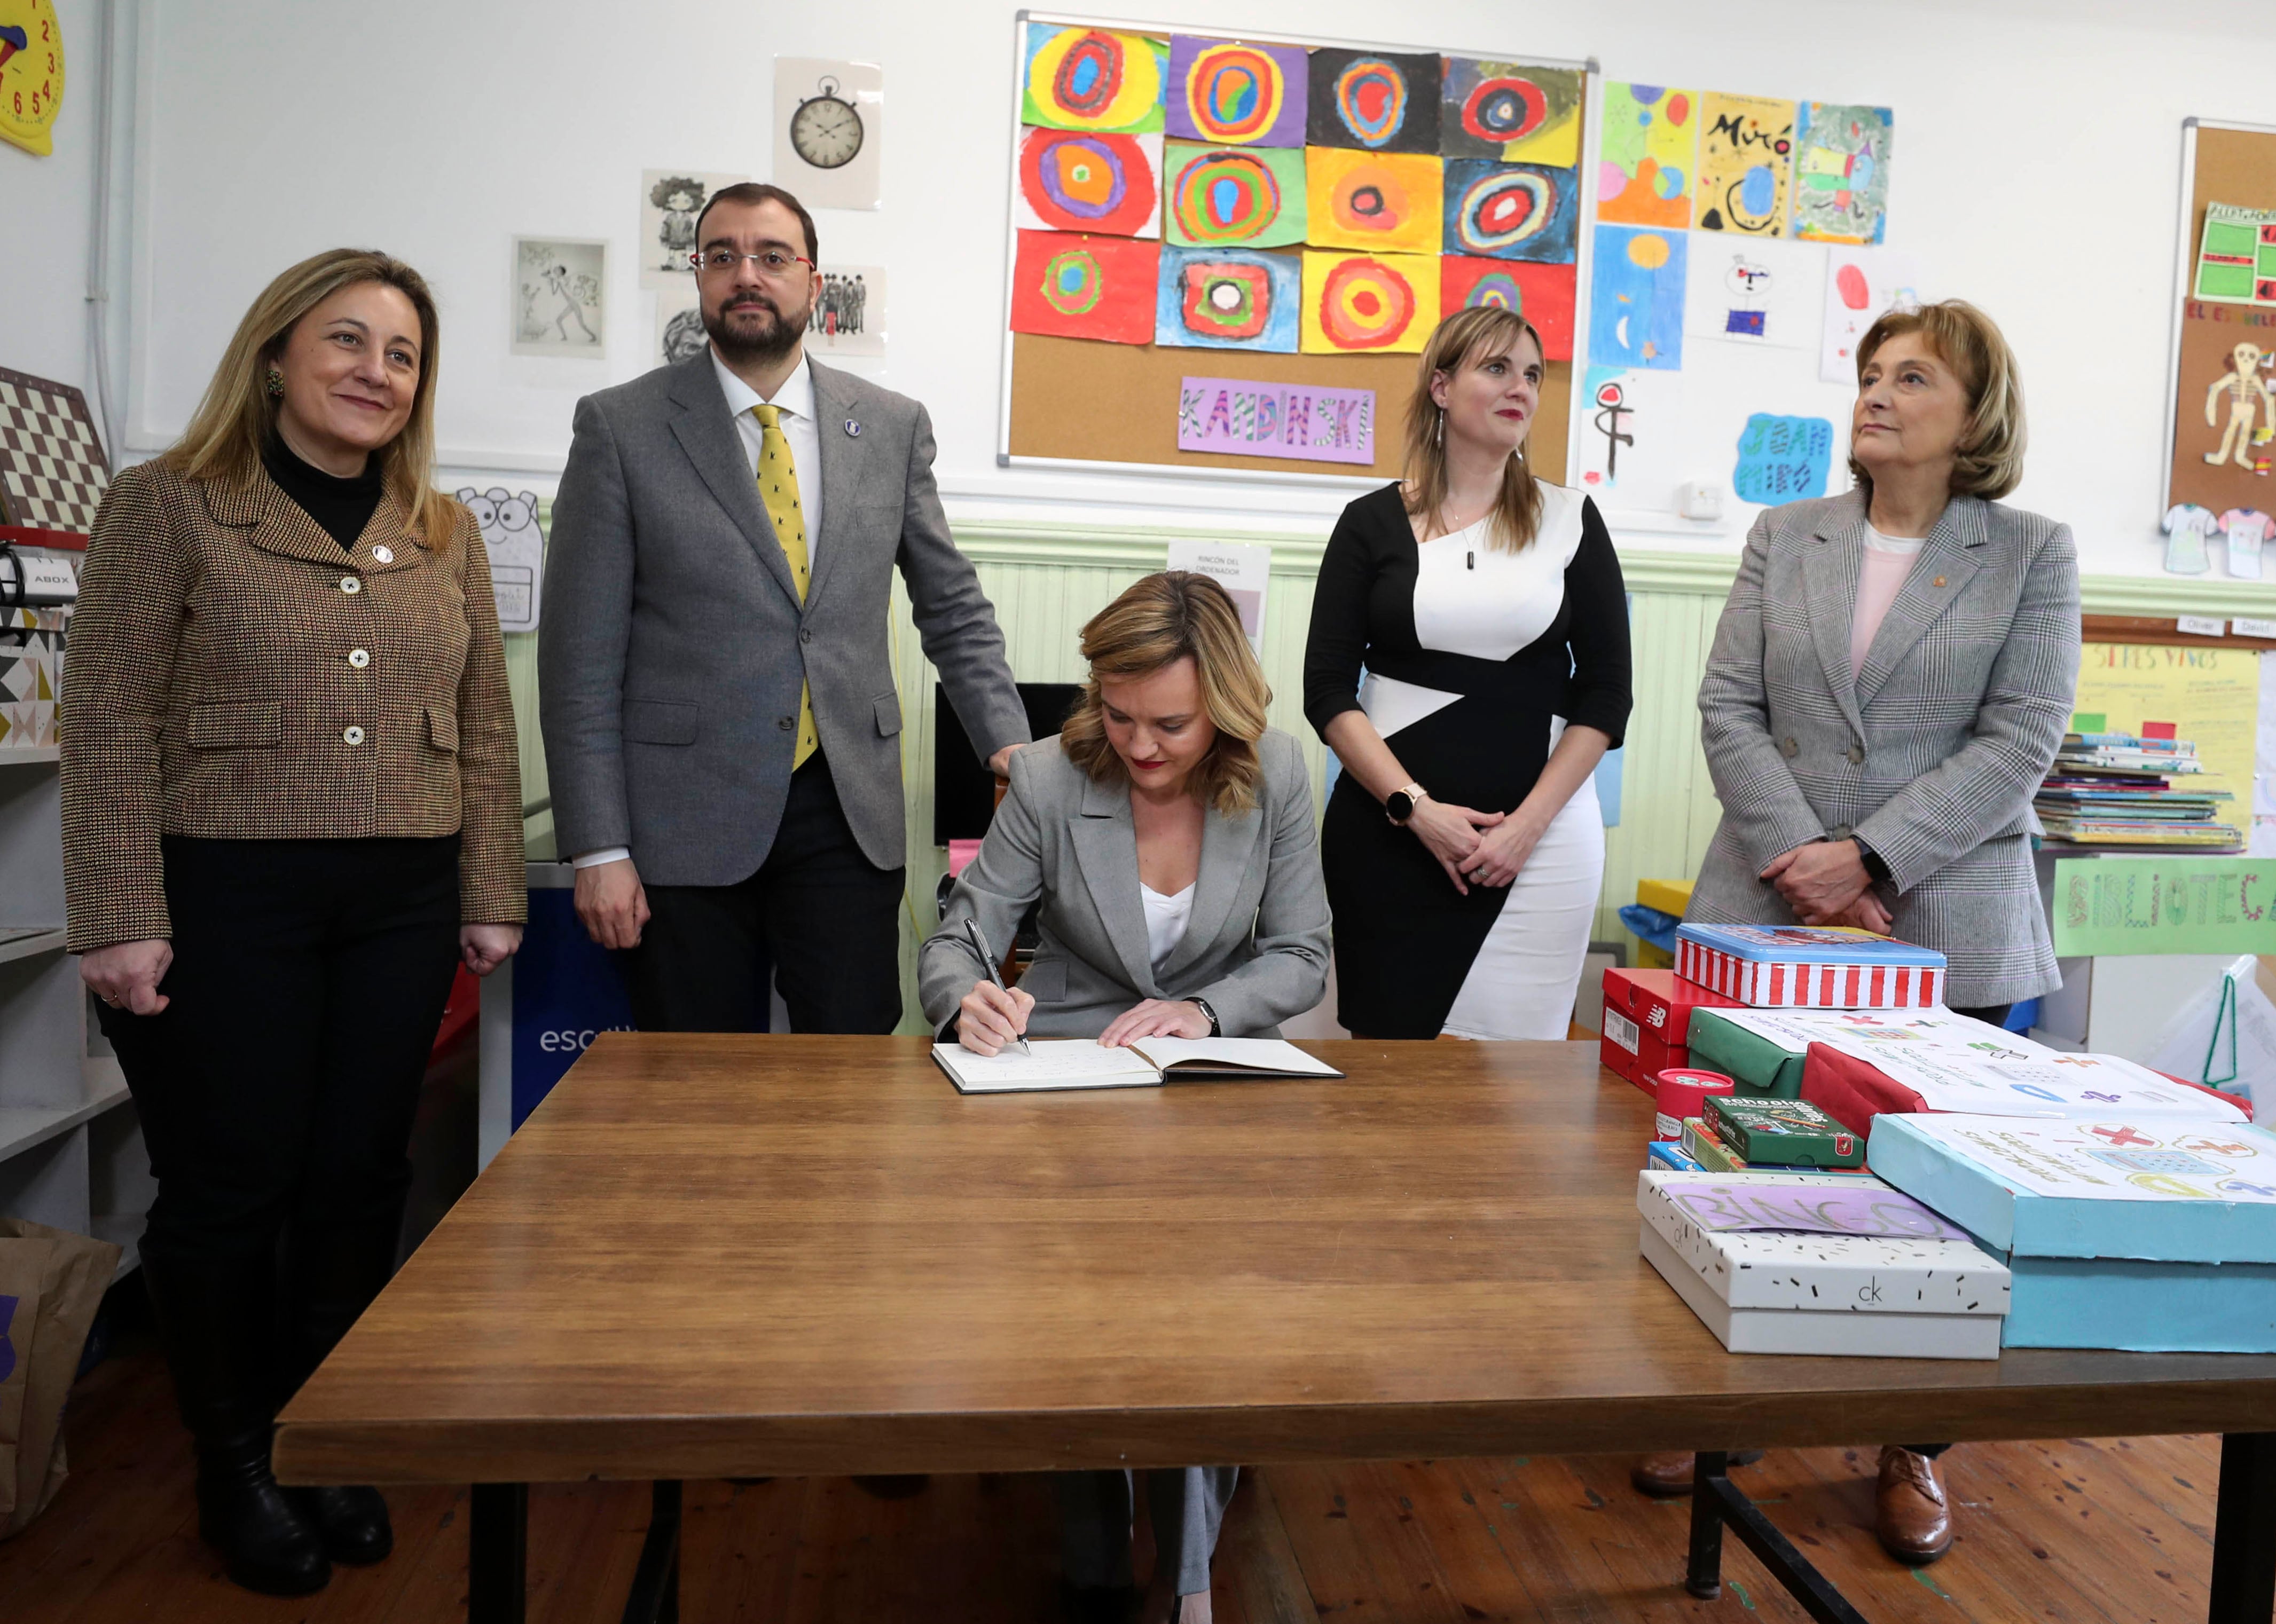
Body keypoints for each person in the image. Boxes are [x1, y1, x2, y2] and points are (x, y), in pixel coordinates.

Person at [62, 249, 524, 1595]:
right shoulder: (168, 507)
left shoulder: (440, 528)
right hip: (224, 893)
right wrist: (116, 916)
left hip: (399, 897)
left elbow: (487, 721)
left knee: (357, 1178)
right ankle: (235, 1459)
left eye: (402, 355)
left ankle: (317, 1438)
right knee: (232, 1185)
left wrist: (490, 890)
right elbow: (103, 721)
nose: (375, 372)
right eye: (347, 341)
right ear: (274, 356)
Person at [1636, 299, 2079, 1566]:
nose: (1875, 394)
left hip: (1944, 912)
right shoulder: (1788, 534)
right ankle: (1723, 1422)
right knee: (1741, 1167)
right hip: (1768, 907)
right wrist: (1809, 864)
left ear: (1974, 414)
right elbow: (1728, 705)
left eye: (1911, 378)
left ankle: (1910, 1443)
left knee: (1937, 1197)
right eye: (1869, 373)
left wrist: (1873, 857)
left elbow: (2021, 736)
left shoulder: (2030, 552)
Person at [920, 571, 1328, 1623]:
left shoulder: (1278, 772)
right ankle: (1104, 1537)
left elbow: (1298, 955)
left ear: (1225, 710)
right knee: (1086, 1306)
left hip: (1214, 1077)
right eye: (1117, 714)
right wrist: (967, 998)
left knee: (1199, 1306)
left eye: (1171, 725)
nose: (1140, 747)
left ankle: (1187, 1577)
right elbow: (961, 933)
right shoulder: (1053, 776)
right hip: (1068, 1077)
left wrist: (1205, 1011)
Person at [540, 181, 1029, 1038]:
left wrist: (1010, 744)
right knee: (695, 1087)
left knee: (851, 1081)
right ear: (698, 278)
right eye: (720, 256)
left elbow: (950, 603)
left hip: (847, 808)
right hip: (682, 819)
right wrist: (598, 847)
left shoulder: (889, 425)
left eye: (771, 257)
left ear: (813, 280)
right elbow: (579, 658)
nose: (745, 275)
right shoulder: (622, 427)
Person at [1302, 305, 1631, 1039]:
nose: (1521, 386)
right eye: (1497, 367)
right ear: (1442, 387)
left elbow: (1607, 695)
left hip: (1539, 851)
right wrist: (1415, 810)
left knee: (1519, 1089)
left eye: (1534, 374)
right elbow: (1326, 689)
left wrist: (1526, 829)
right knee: (1392, 1078)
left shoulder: (1571, 519)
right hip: (1391, 839)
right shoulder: (1370, 522)